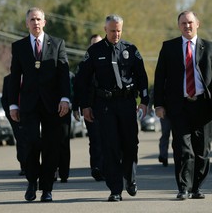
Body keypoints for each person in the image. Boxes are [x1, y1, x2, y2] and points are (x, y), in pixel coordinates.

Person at [75, 14, 149, 202]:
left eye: (119, 30)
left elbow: (142, 76)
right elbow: (82, 80)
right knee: (110, 147)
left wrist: (145, 101)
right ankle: (115, 189)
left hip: (126, 103)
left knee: (131, 144)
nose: (116, 34)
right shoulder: (94, 51)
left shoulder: (130, 49)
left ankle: (130, 179)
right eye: (112, 31)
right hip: (105, 105)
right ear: (105, 30)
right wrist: (84, 106)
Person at [154, 11, 212, 200]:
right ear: (179, 26)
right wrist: (158, 104)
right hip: (179, 106)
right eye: (183, 23)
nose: (187, 26)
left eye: (190, 22)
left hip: (203, 106)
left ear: (198, 24)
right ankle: (183, 188)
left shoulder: (210, 48)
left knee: (202, 150)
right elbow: (160, 77)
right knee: (183, 148)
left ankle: (196, 187)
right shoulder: (169, 48)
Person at [8, 7, 70, 202]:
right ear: (27, 23)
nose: (36, 22)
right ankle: (32, 181)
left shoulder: (57, 44)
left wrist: (65, 98)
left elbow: (63, 74)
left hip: (52, 105)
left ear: (44, 22)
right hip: (29, 105)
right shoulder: (19, 47)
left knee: (51, 147)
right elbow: (14, 77)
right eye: (32, 19)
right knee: (31, 143)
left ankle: (47, 189)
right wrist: (12, 104)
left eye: (39, 19)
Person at [73, 34, 105, 181]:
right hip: (90, 107)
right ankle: (96, 168)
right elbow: (78, 87)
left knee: (109, 138)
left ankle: (109, 167)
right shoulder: (83, 65)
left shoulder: (109, 61)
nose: (95, 47)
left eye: (98, 44)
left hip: (107, 106)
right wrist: (76, 107)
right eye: (93, 44)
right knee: (95, 139)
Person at [1, 74, 26, 175]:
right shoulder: (7, 79)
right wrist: (10, 114)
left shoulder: (31, 75)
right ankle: (23, 166)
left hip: (30, 114)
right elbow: (4, 99)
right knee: (20, 140)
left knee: (31, 140)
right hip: (14, 117)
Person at [55, 71, 75, 183]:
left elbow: (73, 91)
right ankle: (51, 170)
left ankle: (64, 173)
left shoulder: (69, 75)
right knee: (50, 141)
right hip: (48, 108)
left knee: (63, 141)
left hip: (65, 110)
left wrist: (72, 105)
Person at [148, 87, 172, 167]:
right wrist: (149, 107)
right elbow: (153, 94)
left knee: (178, 135)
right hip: (164, 112)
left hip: (178, 111)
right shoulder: (160, 80)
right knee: (165, 134)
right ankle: (163, 156)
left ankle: (180, 156)